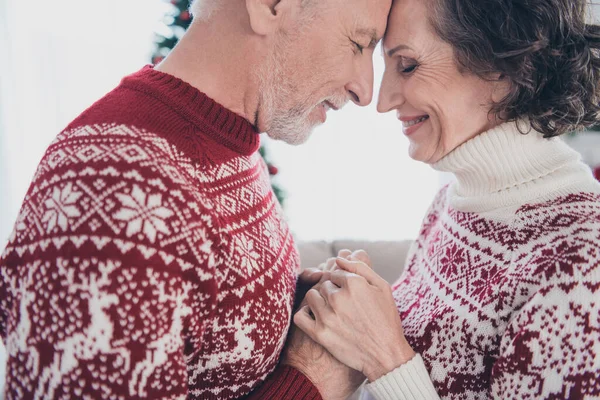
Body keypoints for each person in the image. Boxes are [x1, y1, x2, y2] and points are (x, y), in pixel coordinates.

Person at [0, 0, 390, 398]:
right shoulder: (114, 192)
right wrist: (313, 381)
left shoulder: (228, 140)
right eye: (358, 44)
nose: (365, 89)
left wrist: (298, 303)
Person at [287, 0, 600, 398]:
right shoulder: (455, 200)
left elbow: (393, 363)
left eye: (408, 65)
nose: (383, 101)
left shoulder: (584, 264)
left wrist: (385, 358)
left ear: (503, 65)